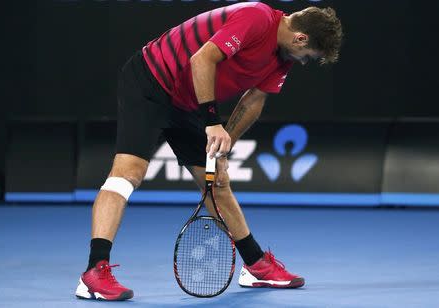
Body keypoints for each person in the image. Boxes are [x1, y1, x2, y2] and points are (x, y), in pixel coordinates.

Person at [75, 2, 343, 301]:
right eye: (307, 57)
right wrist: (213, 122)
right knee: (128, 174)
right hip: (150, 82)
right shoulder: (257, 17)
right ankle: (93, 272)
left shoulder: (282, 58)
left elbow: (254, 99)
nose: (303, 62)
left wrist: (224, 146)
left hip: (188, 102)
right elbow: (202, 59)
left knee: (217, 183)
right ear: (300, 39)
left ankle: (255, 266)